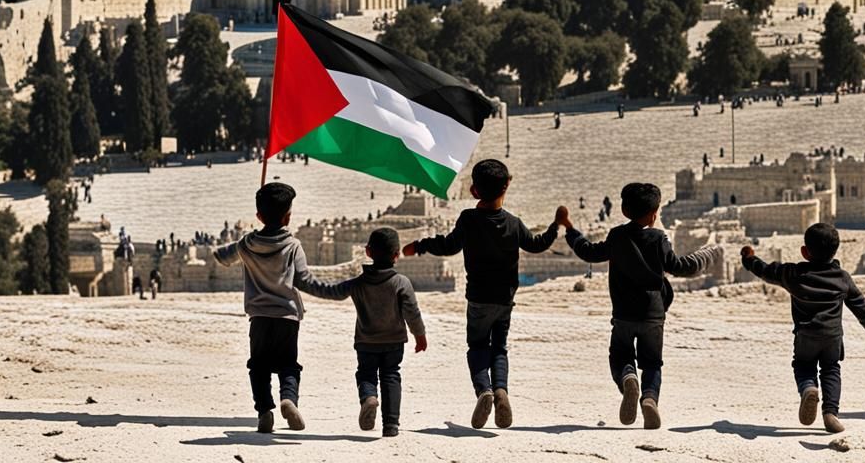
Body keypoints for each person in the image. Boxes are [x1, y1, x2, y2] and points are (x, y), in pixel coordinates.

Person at [403, 159, 560, 429]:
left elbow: (449, 246)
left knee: (477, 347)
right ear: (506, 186)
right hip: (505, 299)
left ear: (474, 191)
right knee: (499, 348)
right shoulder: (513, 223)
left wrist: (419, 246)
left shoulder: (469, 219)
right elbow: (537, 245)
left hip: (478, 298)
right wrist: (556, 225)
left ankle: (484, 390)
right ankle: (501, 390)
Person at [562, 183, 718, 429]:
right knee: (653, 362)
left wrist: (570, 230)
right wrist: (707, 255)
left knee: (621, 355)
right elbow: (680, 266)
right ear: (655, 214)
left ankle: (628, 379)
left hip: (623, 313)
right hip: (653, 314)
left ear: (623, 210)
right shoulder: (658, 239)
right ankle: (649, 399)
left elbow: (589, 253)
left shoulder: (617, 236)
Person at [740, 224, 865, 433]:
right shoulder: (842, 277)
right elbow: (859, 303)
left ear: (805, 252)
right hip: (832, 337)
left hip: (805, 335)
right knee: (831, 369)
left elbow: (767, 271)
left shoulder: (793, 273)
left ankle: (808, 388)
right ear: (835, 251)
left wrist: (749, 259)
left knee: (804, 366)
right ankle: (831, 413)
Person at [214, 182, 327, 434]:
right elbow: (304, 280)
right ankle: (289, 399)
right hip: (287, 316)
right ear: (288, 216)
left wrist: (245, 240)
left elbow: (222, 258)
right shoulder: (293, 245)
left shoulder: (246, 244)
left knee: (258, 366)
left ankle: (265, 411)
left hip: (259, 317)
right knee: (288, 364)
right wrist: (335, 291)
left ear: (259, 215)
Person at [301, 228, 427, 436]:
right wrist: (419, 336)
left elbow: (330, 291)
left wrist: (301, 282)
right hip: (394, 341)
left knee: (366, 375)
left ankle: (369, 397)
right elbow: (412, 312)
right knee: (391, 376)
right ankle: (391, 425)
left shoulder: (358, 283)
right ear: (396, 255)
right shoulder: (401, 283)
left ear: (368, 252)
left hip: (366, 341)